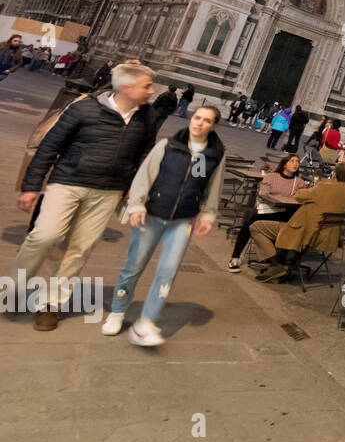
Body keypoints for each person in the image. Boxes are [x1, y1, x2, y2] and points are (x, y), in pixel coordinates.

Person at [13, 63, 157, 330]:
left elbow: (144, 154)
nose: (153, 90)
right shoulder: (84, 108)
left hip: (109, 191)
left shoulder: (147, 116)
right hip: (68, 182)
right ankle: (12, 289)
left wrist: (133, 188)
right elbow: (49, 147)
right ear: (127, 87)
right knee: (44, 236)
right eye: (147, 85)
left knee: (79, 248)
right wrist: (31, 186)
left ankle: (51, 304)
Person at [101, 106, 227, 345]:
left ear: (214, 126)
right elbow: (145, 176)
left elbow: (208, 184)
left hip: (182, 220)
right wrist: (136, 205)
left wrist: (209, 214)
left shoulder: (212, 154)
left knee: (167, 271)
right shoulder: (169, 145)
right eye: (197, 117)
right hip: (152, 214)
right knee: (134, 266)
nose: (199, 123)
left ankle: (147, 322)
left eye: (206, 120)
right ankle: (117, 311)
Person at [249, 163, 345, 282]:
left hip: (304, 232)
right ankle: (285, 260)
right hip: (327, 236)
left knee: (256, 227)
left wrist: (302, 190)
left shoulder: (324, 187)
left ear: (334, 175)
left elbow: (300, 196)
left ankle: (275, 265)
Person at [227, 154, 306, 271]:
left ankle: (276, 257)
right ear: (284, 164)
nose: (295, 164)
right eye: (292, 161)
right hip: (267, 210)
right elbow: (264, 194)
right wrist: (281, 199)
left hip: (285, 213)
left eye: (297, 161)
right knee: (250, 220)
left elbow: (301, 198)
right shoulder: (271, 177)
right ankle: (235, 257)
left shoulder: (299, 182)